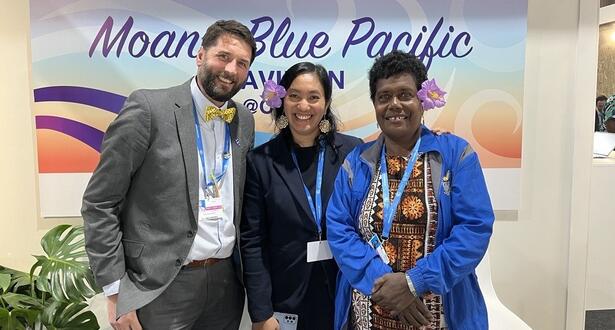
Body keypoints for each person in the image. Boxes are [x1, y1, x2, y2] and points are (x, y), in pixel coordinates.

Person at [81, 20, 256, 330]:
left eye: (242, 63)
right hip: (160, 286)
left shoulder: (243, 120)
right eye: (223, 56)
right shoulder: (149, 109)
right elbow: (100, 202)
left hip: (226, 283)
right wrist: (115, 290)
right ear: (200, 55)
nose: (231, 69)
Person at [326, 50, 495, 329]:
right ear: (375, 104)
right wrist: (385, 286)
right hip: (369, 311)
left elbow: (474, 229)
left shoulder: (455, 155)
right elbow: (339, 229)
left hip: (440, 315)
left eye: (405, 94)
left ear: (423, 99)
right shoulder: (357, 162)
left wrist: (414, 283)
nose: (394, 104)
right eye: (384, 97)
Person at [240, 62, 362, 330]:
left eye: (313, 97)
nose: (303, 106)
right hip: (287, 298)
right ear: (282, 100)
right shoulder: (261, 162)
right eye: (294, 96)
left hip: (346, 293)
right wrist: (261, 313)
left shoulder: (353, 153)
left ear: (326, 102)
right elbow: (252, 242)